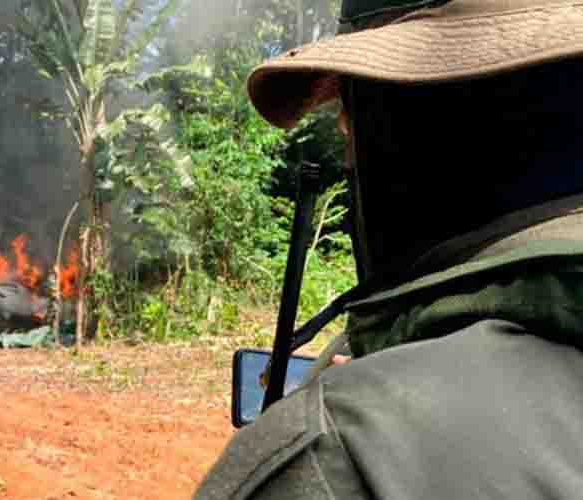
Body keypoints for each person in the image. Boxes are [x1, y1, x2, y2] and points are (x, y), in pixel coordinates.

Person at [195, 1, 583, 498]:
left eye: (347, 122)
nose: (346, 151)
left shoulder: (337, 458)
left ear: (404, 129)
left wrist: (378, 405)